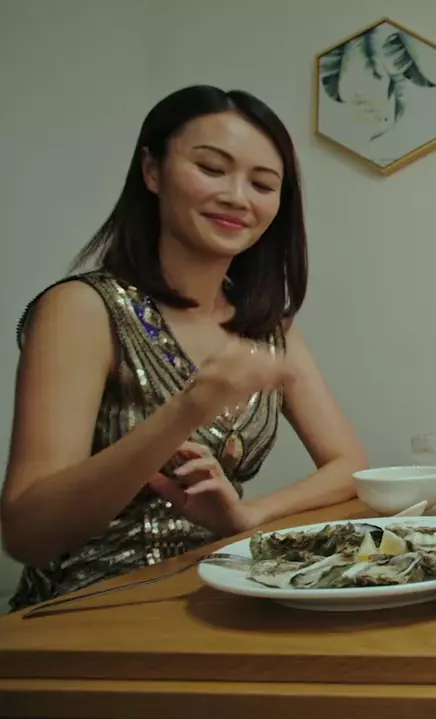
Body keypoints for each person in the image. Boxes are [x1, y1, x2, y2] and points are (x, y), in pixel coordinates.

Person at [1, 85, 368, 611]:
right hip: (89, 611)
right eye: (212, 169)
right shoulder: (84, 309)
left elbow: (349, 465)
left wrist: (248, 515)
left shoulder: (268, 327)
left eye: (262, 184)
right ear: (152, 171)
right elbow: (27, 536)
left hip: (217, 591)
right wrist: (190, 407)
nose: (237, 197)